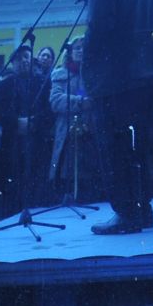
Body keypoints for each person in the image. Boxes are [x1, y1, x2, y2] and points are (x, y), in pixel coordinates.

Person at [83, 0, 153, 236]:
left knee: (114, 147)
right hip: (147, 72)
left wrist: (89, 64)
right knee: (141, 146)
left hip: (116, 75)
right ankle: (144, 209)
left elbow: (101, 26)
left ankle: (125, 212)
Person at [49, 37, 90, 201]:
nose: (80, 51)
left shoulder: (93, 73)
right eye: (77, 48)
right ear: (70, 52)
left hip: (90, 129)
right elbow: (56, 100)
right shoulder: (60, 75)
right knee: (67, 169)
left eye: (83, 48)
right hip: (67, 130)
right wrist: (80, 102)